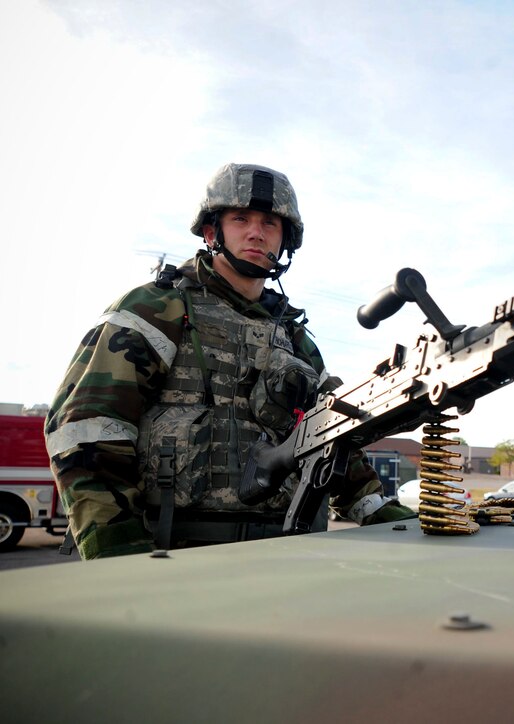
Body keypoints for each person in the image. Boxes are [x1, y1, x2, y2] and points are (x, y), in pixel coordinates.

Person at [45, 163, 412, 560]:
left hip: (286, 555)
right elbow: (85, 429)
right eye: (240, 219)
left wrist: (391, 517)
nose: (256, 232)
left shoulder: (294, 338)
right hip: (170, 553)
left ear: (285, 239)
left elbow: (335, 442)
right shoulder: (156, 308)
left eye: (270, 223)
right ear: (211, 231)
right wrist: (118, 551)